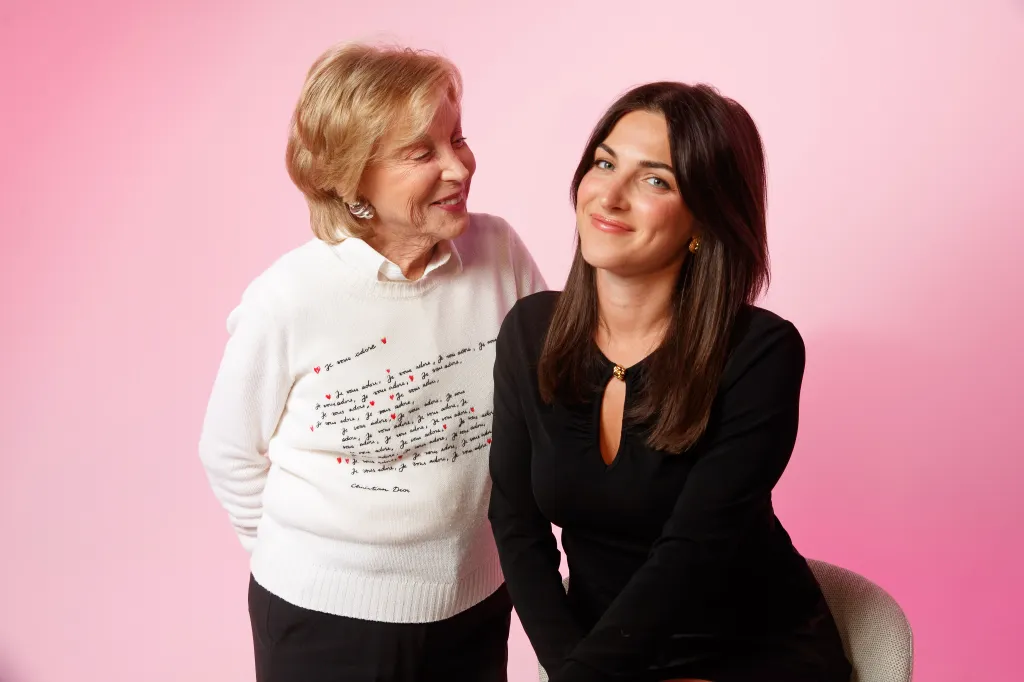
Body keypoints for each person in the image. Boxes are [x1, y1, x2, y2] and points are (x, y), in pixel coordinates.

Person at [198, 42, 546, 682]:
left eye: (458, 139)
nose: (457, 167)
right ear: (353, 175)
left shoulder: (500, 252)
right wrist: (320, 567)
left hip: (474, 604)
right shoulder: (287, 299)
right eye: (422, 153)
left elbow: (548, 402)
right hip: (324, 617)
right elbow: (228, 453)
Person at [487, 82, 853, 682]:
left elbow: (693, 551)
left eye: (654, 180)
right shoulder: (530, 330)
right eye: (604, 163)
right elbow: (516, 523)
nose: (610, 194)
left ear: (702, 223)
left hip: (742, 651)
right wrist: (567, 669)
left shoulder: (761, 353)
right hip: (596, 656)